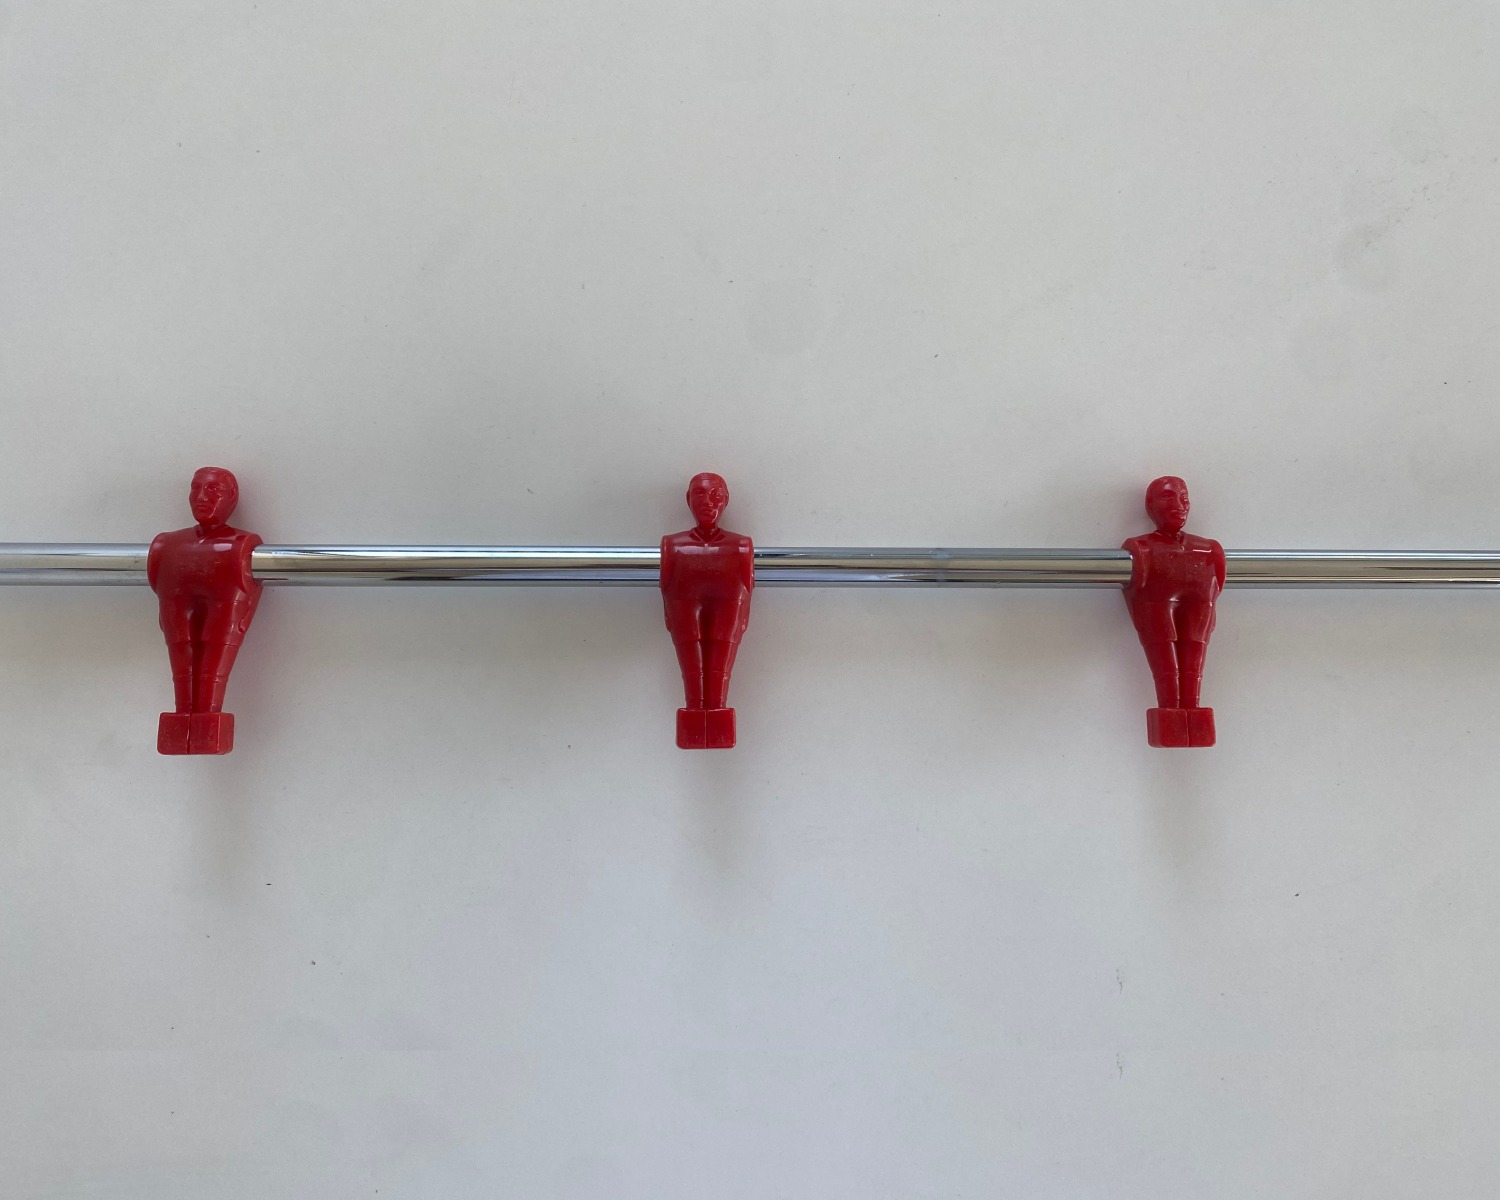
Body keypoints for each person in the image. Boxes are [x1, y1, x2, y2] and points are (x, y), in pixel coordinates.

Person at [147, 466, 263, 754]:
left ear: (232, 497)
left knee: (213, 657)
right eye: (195, 488)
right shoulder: (166, 544)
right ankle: (184, 722)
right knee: (181, 652)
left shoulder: (240, 545)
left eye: (213, 490)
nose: (201, 497)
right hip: (183, 593)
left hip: (225, 593)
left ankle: (207, 724)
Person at [1122, 475, 1224, 747]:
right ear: (1150, 505)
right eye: (1168, 497)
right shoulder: (1141, 549)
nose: (1179, 505)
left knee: (1193, 662)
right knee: (1166, 667)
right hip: (1156, 616)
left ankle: (1192, 719)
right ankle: (1171, 722)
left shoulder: (1209, 550)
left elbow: (1216, 587)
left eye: (1184, 498)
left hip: (1195, 613)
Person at [660, 472, 754, 749]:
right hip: (684, 608)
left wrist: (741, 620)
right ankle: (693, 722)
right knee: (692, 668)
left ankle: (718, 720)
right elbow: (666, 591)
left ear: (726, 500)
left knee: (718, 670)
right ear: (688, 499)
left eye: (716, 495)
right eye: (700, 494)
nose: (708, 502)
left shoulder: (740, 546)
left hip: (728, 609)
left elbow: (746, 594)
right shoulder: (673, 545)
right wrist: (670, 615)